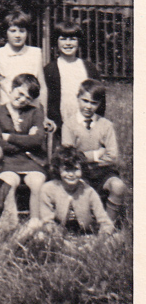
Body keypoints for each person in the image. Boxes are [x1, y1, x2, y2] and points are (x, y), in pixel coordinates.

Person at [61, 79, 126, 224]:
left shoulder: (106, 125)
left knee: (118, 186)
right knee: (76, 188)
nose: (88, 106)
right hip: (80, 172)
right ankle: (83, 223)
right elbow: (69, 157)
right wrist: (97, 154)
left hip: (103, 172)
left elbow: (112, 156)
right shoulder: (69, 125)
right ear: (77, 98)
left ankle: (107, 226)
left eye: (94, 103)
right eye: (85, 101)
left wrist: (82, 155)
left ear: (100, 104)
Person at [0, 73, 47, 219]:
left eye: (27, 98)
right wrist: (26, 140)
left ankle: (35, 222)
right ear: (11, 89)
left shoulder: (36, 112)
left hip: (31, 161)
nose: (22, 100)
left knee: (37, 182)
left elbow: (38, 140)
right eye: (20, 93)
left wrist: (9, 137)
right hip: (6, 161)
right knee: (8, 182)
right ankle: (10, 223)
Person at [36, 146, 114, 236]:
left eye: (75, 169)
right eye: (66, 170)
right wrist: (60, 239)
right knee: (40, 235)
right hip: (56, 235)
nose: (71, 174)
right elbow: (47, 221)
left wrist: (102, 236)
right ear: (58, 170)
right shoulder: (48, 189)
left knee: (115, 237)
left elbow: (104, 220)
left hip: (85, 235)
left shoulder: (88, 191)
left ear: (82, 170)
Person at [44, 20, 104, 133]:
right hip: (60, 125)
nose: (68, 43)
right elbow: (48, 101)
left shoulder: (89, 68)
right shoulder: (50, 69)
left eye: (72, 39)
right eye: (63, 39)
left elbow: (99, 95)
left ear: (79, 42)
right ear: (56, 42)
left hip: (87, 124)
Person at [0, 11, 47, 111]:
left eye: (22, 31)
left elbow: (42, 87)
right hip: (8, 109)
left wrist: (44, 114)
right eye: (13, 31)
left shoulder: (35, 53)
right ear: (6, 32)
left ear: (27, 32)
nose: (17, 35)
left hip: (31, 109)